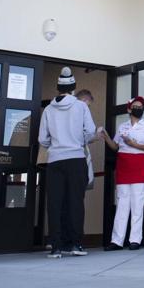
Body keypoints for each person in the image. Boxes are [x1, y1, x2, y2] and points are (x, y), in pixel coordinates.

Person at [38, 67, 98, 258]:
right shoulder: (80, 107)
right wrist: (78, 141)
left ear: (57, 88)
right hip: (76, 158)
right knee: (75, 203)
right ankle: (76, 245)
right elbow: (90, 131)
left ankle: (56, 246)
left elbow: (42, 139)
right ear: (73, 87)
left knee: (55, 203)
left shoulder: (48, 109)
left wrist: (56, 144)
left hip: (55, 160)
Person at [100, 96, 144, 251]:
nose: (139, 108)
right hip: (124, 166)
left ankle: (135, 239)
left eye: (141, 106)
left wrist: (134, 144)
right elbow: (116, 146)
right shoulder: (122, 126)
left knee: (137, 204)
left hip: (140, 165)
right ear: (129, 109)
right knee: (122, 204)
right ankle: (117, 240)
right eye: (136, 106)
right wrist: (106, 137)